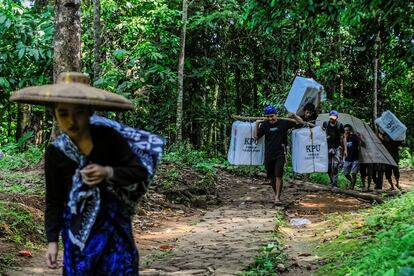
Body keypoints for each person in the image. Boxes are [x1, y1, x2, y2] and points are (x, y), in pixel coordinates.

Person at [10, 72, 164, 275]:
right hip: (76, 234)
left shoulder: (109, 137)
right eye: (63, 113)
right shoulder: (56, 152)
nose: (71, 121)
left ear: (90, 112)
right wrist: (52, 242)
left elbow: (139, 172)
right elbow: (54, 200)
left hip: (114, 229)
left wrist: (108, 171)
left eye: (79, 113)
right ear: (55, 114)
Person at [253, 105, 301, 204]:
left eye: (272, 116)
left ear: (276, 115)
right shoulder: (265, 125)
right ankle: (276, 194)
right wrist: (257, 124)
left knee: (278, 175)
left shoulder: (284, 122)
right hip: (268, 154)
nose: (270, 118)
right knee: (272, 177)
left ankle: (277, 198)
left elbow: (301, 122)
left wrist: (294, 116)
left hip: (280, 153)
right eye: (268, 117)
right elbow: (255, 138)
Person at [322, 110, 344, 188]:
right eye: (331, 117)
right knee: (328, 166)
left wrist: (343, 149)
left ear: (336, 118)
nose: (332, 119)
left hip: (336, 147)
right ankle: (331, 181)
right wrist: (325, 138)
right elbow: (321, 134)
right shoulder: (325, 124)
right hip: (327, 147)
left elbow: (342, 137)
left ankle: (334, 183)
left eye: (333, 117)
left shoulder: (340, 125)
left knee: (335, 166)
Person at [343, 124, 363, 190]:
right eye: (345, 130)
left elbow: (361, 144)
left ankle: (352, 187)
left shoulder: (354, 137)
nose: (346, 131)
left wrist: (359, 138)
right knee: (346, 174)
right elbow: (344, 146)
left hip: (355, 158)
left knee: (354, 173)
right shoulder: (344, 138)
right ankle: (352, 182)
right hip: (347, 158)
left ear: (350, 130)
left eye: (347, 130)